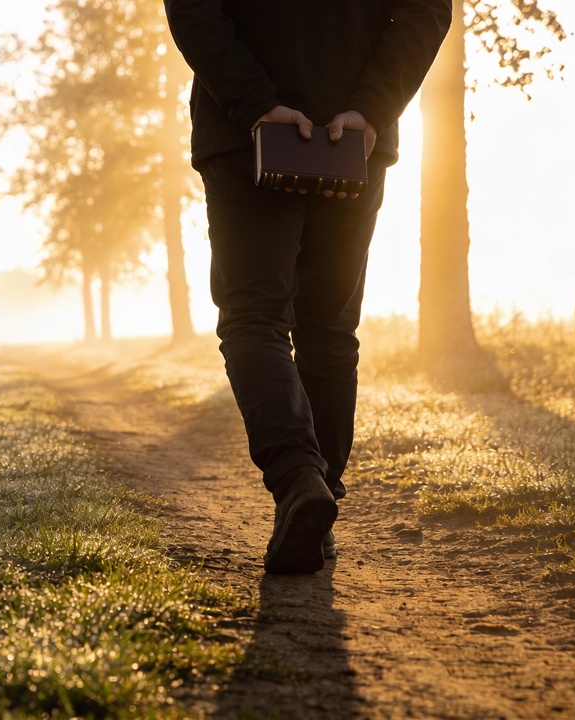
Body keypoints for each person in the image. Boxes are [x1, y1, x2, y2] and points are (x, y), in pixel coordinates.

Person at [163, 0, 453, 574]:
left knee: (254, 319)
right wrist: (370, 111)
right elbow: (426, 12)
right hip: (354, 144)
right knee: (329, 330)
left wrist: (258, 104)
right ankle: (317, 502)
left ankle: (301, 480)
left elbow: (195, 10)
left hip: (247, 136)